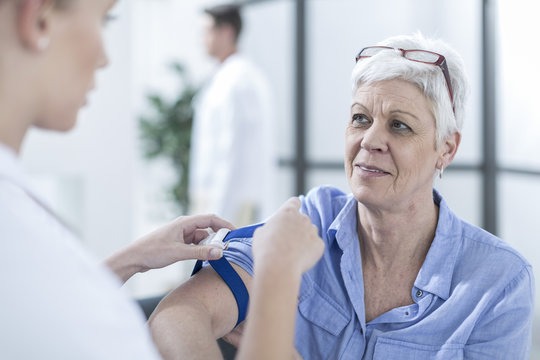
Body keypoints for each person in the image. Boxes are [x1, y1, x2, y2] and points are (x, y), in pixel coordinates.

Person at [148, 33, 535, 359]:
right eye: (360, 118)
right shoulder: (308, 220)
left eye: (399, 126)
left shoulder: (499, 283)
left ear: (446, 149)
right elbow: (177, 316)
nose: (369, 140)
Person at [0, 0, 323, 358]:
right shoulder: (19, 238)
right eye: (104, 19)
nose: (106, 57)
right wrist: (276, 278)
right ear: (38, 18)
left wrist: (133, 259)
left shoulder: (241, 80)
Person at [189, 3, 275, 226]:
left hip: (233, 203)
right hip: (218, 199)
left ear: (227, 32)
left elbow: (234, 153)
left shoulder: (240, 81)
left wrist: (217, 213)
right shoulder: (225, 77)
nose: (201, 39)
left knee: (230, 258)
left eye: (206, 31)